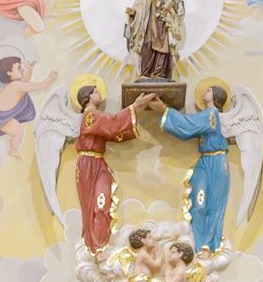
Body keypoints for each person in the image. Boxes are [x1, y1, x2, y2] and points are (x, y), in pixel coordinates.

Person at [152, 85, 231, 254]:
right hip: (204, 162)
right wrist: (170, 110)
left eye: (209, 90)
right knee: (200, 204)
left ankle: (208, 246)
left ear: (216, 96)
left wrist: (164, 110)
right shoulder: (203, 116)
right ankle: (197, 244)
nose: (205, 91)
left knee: (214, 205)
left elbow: (189, 125)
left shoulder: (212, 114)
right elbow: (188, 127)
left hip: (217, 162)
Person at [73, 84, 137, 258]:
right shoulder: (90, 115)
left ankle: (101, 244)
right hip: (87, 164)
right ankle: (94, 245)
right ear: (87, 97)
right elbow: (112, 124)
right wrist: (135, 107)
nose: (99, 93)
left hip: (99, 163)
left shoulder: (96, 118)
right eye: (95, 92)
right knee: (91, 206)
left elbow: (113, 131)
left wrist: (131, 120)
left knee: (102, 203)